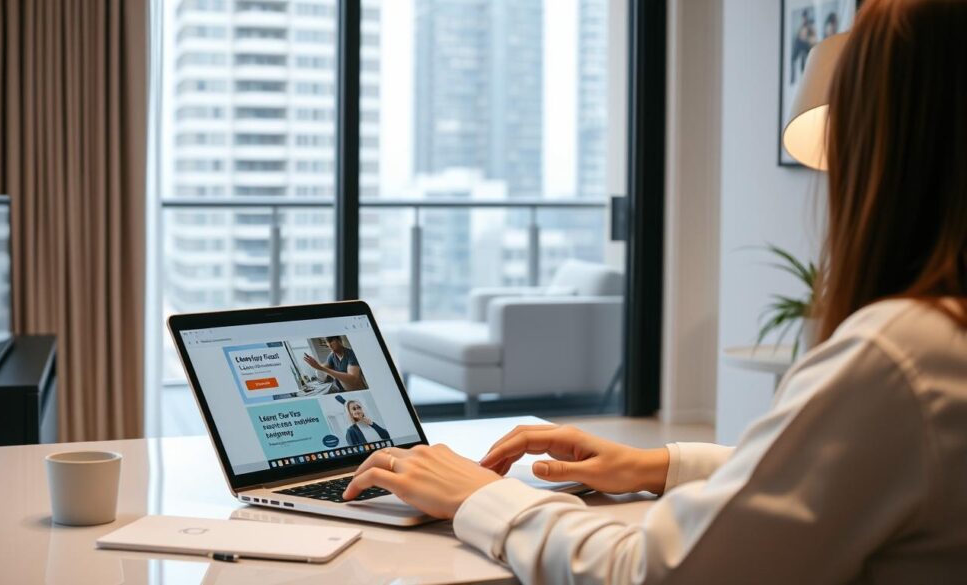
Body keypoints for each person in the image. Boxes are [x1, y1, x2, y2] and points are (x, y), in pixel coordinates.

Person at [342, 1, 967, 582]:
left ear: (888, 147)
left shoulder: (904, 352)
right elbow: (849, 475)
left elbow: (652, 570)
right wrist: (660, 465)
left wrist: (477, 495)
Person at [303, 335, 368, 392]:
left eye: (331, 341)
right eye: (327, 342)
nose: (329, 344)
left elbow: (353, 379)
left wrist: (321, 368)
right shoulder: (332, 356)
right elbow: (324, 368)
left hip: (359, 390)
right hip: (344, 391)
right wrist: (316, 365)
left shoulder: (351, 354)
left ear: (339, 340)